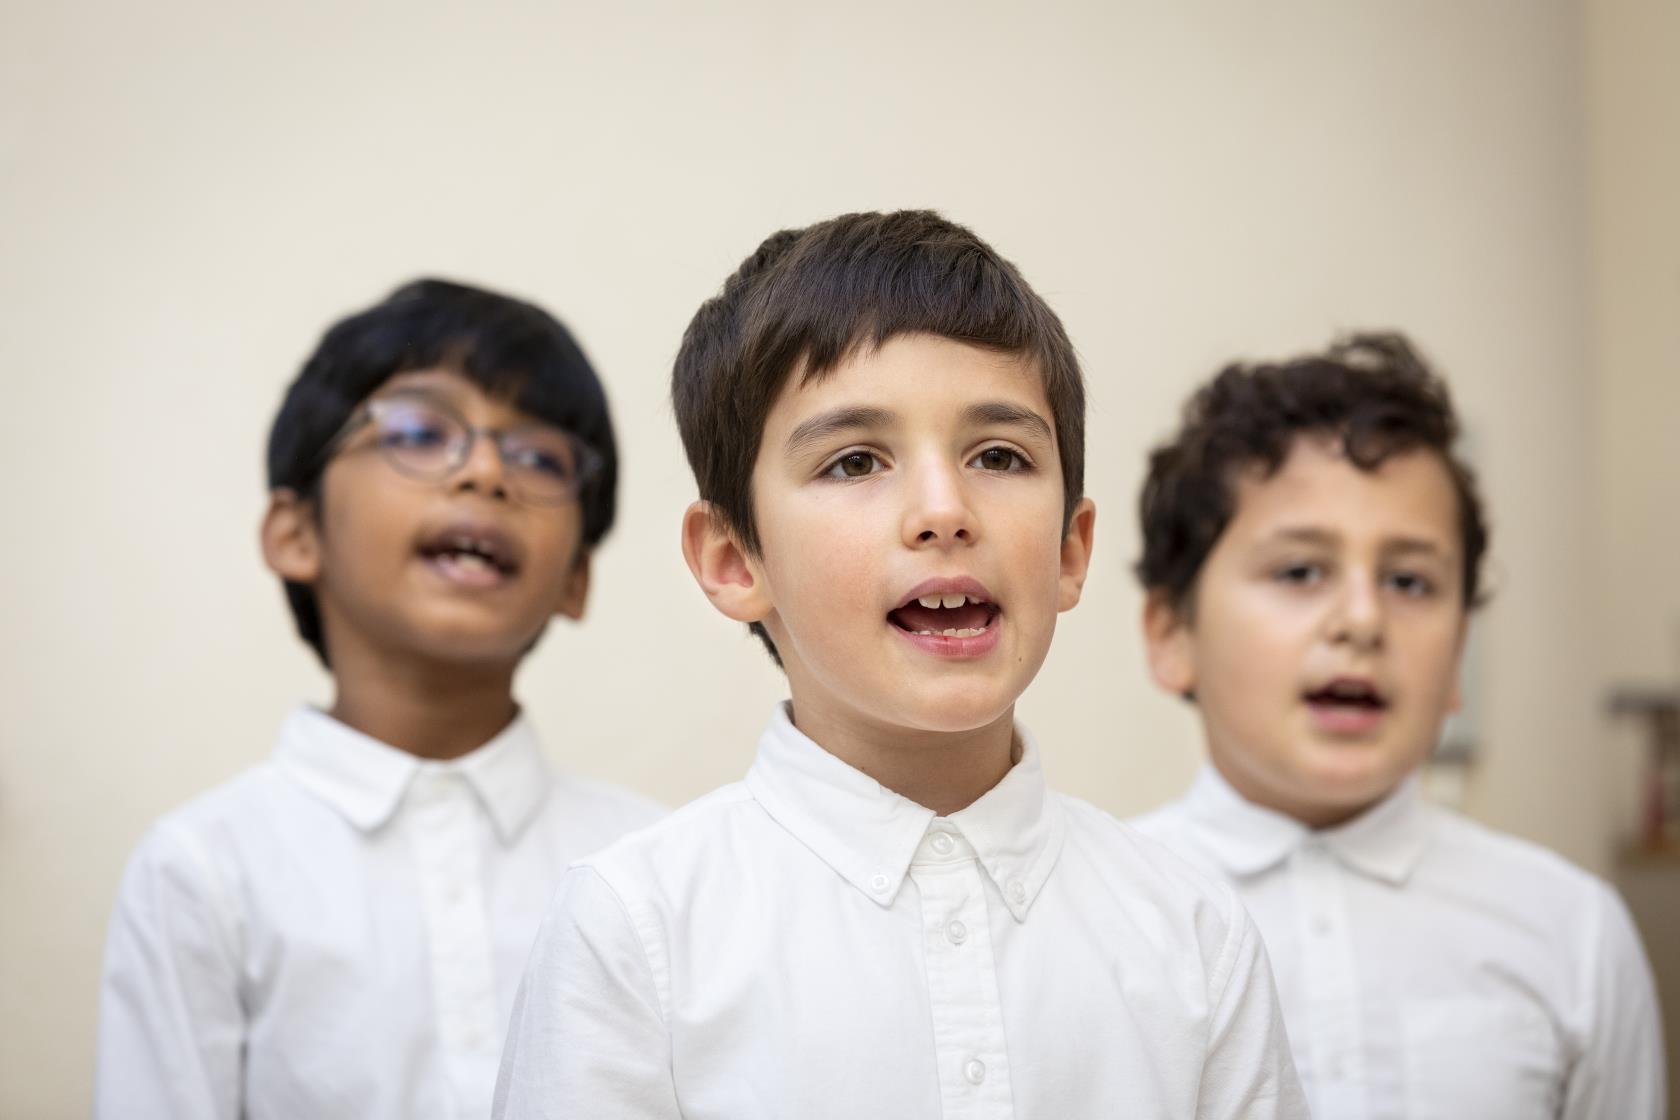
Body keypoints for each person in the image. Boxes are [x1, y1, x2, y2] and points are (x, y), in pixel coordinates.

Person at [494, 211, 1307, 1118]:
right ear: (734, 560)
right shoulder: (636, 931)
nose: (943, 510)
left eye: (999, 455)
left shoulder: (1194, 933)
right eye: (854, 462)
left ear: (1071, 551)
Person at [95, 278, 664, 1120]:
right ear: (296, 534)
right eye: (419, 432)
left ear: (576, 578)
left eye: (540, 457)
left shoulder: (652, 863)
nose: (484, 473)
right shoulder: (205, 872)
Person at [1130, 332, 1666, 1118]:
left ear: (1457, 657)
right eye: (1301, 570)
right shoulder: (1101, 916)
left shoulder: (1571, 931)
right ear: (1172, 635)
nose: (1362, 618)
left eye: (1411, 581)